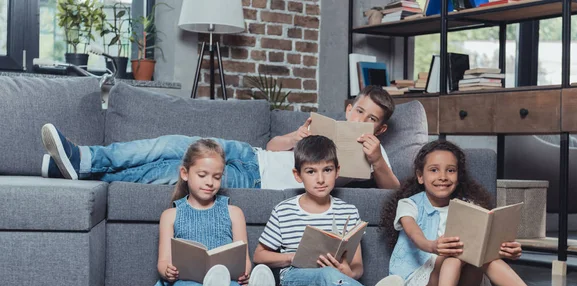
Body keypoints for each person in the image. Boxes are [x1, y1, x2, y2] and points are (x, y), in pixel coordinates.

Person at [40, 85, 400, 189]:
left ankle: (72, 171)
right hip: (251, 154)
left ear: (379, 127)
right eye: (358, 110)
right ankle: (85, 158)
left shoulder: (370, 153)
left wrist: (376, 158)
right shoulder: (325, 126)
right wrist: (297, 135)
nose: (360, 119)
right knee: (171, 144)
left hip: (253, 179)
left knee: (169, 170)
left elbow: (393, 190)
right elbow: (274, 147)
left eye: (370, 119)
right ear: (350, 106)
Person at [381, 140, 557, 286]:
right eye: (434, 170)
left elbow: (484, 245)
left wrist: (505, 249)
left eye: (450, 170)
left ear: (458, 176)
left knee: (482, 252)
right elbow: (415, 234)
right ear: (420, 176)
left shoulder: (470, 205)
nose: (443, 177)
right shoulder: (409, 204)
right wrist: (433, 246)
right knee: (458, 248)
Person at [253, 135, 417, 286]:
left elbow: (357, 268)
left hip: (334, 284)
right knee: (328, 277)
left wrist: (347, 271)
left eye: (327, 170)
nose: (320, 179)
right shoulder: (284, 210)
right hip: (294, 285)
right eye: (311, 172)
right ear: (298, 175)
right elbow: (259, 255)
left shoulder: (348, 211)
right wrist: (291, 257)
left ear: (337, 171)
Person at [148, 138, 286, 286]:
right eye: (202, 175)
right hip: (188, 282)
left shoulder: (234, 212)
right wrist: (167, 271)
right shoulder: (170, 215)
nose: (210, 183)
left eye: (217, 177)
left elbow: (243, 257)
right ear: (185, 173)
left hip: (225, 281)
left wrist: (245, 272)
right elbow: (163, 261)